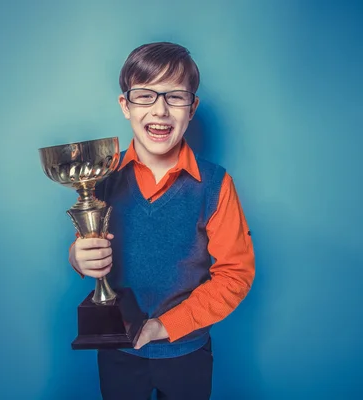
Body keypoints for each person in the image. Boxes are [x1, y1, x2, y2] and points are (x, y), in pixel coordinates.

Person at [69, 42, 255, 400]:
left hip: (187, 352)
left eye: (175, 97)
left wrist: (164, 327)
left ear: (192, 107)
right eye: (145, 95)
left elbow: (235, 274)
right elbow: (86, 247)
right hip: (118, 351)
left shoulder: (216, 185)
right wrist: (77, 258)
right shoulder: (99, 178)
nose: (161, 109)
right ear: (125, 106)